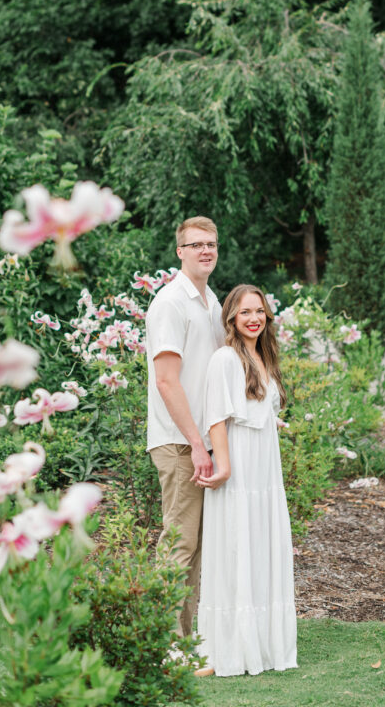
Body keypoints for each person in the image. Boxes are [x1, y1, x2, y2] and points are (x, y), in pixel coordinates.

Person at [196, 284, 297, 677]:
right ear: (231, 319)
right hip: (237, 463)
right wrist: (223, 465)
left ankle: (265, 645)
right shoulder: (224, 359)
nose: (253, 318)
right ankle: (225, 649)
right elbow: (217, 416)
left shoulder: (263, 357)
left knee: (261, 544)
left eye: (258, 311)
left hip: (265, 468)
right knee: (236, 544)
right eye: (244, 312)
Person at [145, 216, 224, 640]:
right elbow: (166, 380)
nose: (205, 251)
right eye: (196, 245)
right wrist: (197, 444)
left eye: (210, 243)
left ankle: (188, 638)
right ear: (180, 252)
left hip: (202, 443)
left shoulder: (210, 302)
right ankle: (163, 640)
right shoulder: (171, 303)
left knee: (195, 549)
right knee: (178, 545)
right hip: (179, 443)